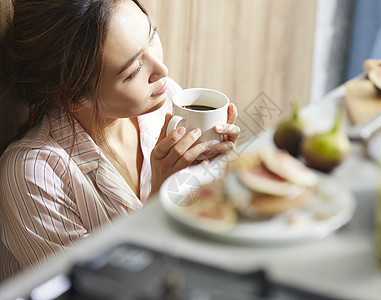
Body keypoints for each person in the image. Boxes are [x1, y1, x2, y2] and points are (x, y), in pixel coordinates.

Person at [0, 0, 240, 281]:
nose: (161, 69)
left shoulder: (164, 105)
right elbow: (95, 288)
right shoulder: (34, 175)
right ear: (75, 98)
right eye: (133, 70)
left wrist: (217, 174)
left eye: (152, 35)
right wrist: (161, 196)